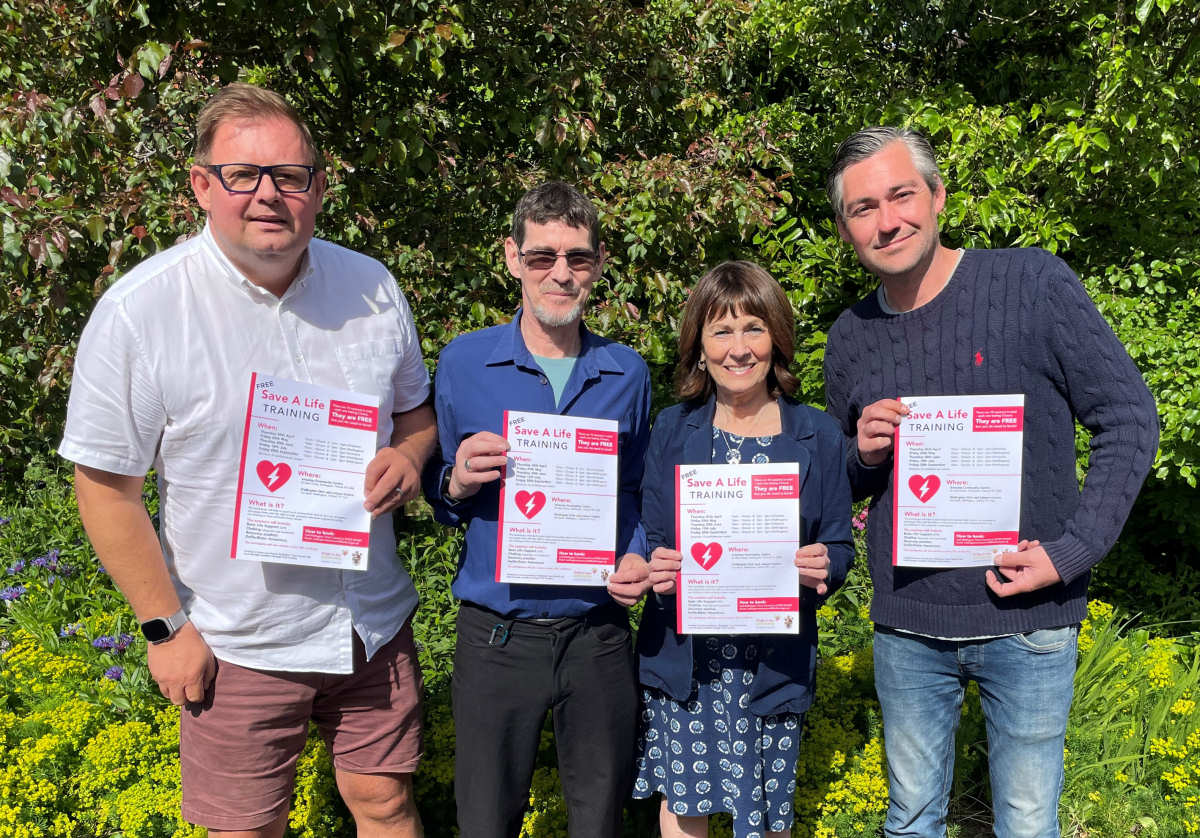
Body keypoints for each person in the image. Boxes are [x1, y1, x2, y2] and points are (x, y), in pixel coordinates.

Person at [59, 83, 433, 837]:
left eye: (290, 176)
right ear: (202, 184)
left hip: (371, 624)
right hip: (237, 641)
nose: (268, 195)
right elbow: (105, 490)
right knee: (245, 830)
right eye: (242, 174)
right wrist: (166, 631)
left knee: (386, 803)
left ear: (318, 187)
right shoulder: (142, 313)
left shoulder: (371, 287)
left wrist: (409, 457)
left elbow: (414, 416)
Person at [822, 126, 1159, 838]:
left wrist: (1070, 553)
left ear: (938, 197)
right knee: (909, 820)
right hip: (909, 626)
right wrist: (862, 453)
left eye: (902, 195)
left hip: (1030, 619)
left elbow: (1128, 419)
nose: (887, 220)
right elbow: (838, 482)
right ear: (846, 228)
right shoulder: (850, 335)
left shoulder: (1032, 284)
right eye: (863, 209)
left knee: (1027, 824)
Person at [421, 181, 653, 838]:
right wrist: (458, 482)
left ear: (599, 263)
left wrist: (635, 552)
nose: (561, 273)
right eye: (542, 256)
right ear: (511, 257)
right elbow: (437, 491)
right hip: (498, 636)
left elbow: (632, 490)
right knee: (486, 821)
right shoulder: (464, 363)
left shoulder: (627, 372)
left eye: (578, 258)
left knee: (599, 822)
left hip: (598, 635)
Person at [633, 261, 854, 838]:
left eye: (753, 328)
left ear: (775, 338)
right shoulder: (671, 429)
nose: (738, 348)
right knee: (686, 808)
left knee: (769, 815)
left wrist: (825, 563)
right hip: (687, 658)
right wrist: (659, 566)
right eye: (721, 331)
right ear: (698, 347)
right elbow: (653, 534)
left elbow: (839, 542)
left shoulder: (819, 433)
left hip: (772, 662)